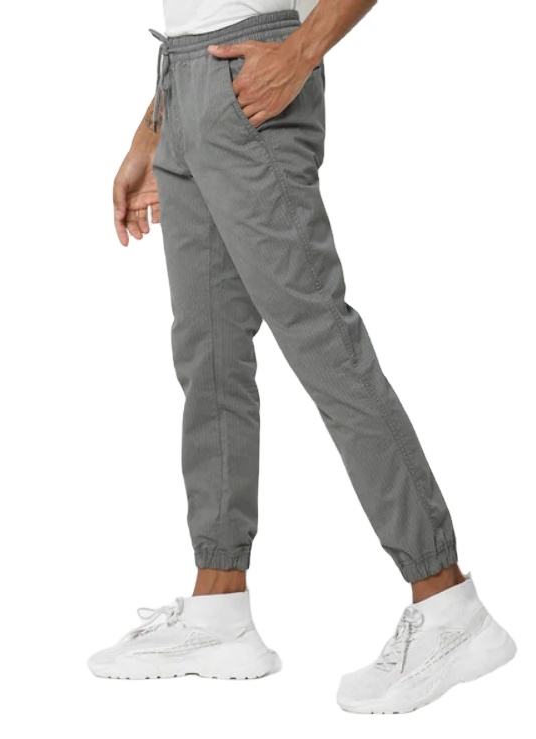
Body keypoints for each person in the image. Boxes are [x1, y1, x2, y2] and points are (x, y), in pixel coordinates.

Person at [88, 0, 516, 713]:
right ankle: (218, 609)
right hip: (182, 86)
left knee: (321, 340)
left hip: (246, 79)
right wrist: (153, 128)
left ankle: (448, 606)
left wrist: (302, 51)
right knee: (208, 355)